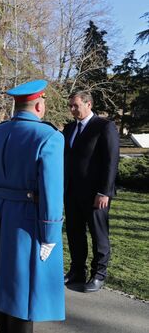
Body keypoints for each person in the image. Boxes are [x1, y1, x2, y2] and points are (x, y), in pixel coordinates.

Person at [0, 80, 65, 333]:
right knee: (22, 285)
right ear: (39, 105)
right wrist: (50, 233)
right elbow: (51, 190)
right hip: (28, 219)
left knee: (0, 280)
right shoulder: (49, 136)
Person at [63, 91, 119, 293]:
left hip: (96, 194)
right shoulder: (69, 129)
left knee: (98, 235)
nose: (72, 109)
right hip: (71, 192)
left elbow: (111, 162)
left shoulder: (104, 126)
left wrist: (104, 192)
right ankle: (77, 270)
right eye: (70, 105)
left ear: (88, 104)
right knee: (75, 233)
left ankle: (98, 274)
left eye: (75, 105)